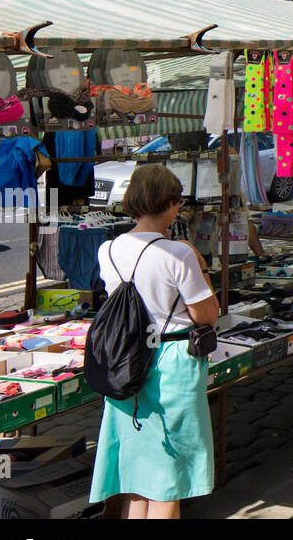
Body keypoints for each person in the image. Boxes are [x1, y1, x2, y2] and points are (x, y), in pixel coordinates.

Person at [90, 164, 219, 519]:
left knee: (139, 477)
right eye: (177, 202)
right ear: (170, 204)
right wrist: (201, 265)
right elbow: (207, 315)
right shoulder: (179, 254)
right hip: (172, 361)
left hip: (125, 359)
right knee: (169, 480)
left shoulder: (109, 250)